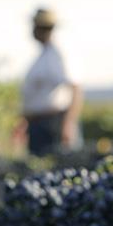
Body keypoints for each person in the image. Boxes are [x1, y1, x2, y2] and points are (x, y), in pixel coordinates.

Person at [20, 8, 83, 156]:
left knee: (54, 166)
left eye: (34, 26)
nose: (32, 30)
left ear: (41, 28)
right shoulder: (44, 55)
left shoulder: (58, 54)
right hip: (40, 126)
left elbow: (75, 89)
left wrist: (68, 124)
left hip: (52, 126)